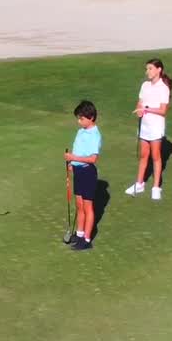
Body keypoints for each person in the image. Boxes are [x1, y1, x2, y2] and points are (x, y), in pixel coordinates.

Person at [126, 58, 172, 201]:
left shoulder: (163, 88)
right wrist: (139, 110)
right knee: (143, 155)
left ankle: (156, 187)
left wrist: (146, 109)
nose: (148, 72)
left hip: (155, 127)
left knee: (156, 156)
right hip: (144, 126)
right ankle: (139, 184)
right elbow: (140, 102)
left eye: (150, 68)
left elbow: (163, 110)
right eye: (147, 69)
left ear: (159, 70)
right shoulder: (145, 85)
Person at [65, 100, 102, 252]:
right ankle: (79, 235)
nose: (79, 121)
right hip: (78, 171)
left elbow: (93, 159)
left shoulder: (95, 135)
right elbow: (77, 149)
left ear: (91, 117)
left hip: (88, 172)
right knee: (79, 205)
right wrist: (71, 163)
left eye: (82, 118)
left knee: (88, 207)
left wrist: (73, 158)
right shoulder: (81, 131)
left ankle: (86, 239)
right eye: (78, 118)